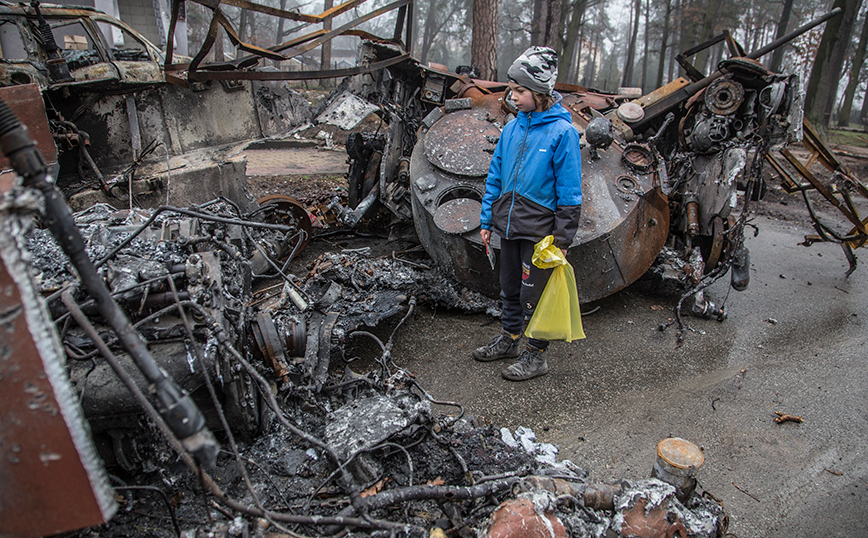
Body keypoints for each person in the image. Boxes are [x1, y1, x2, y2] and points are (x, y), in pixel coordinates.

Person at [473, 46, 583, 381]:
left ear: (539, 92)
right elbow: (495, 176)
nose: (513, 96)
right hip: (508, 223)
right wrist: (487, 219)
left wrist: (563, 239)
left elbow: (570, 191)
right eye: (512, 88)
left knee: (533, 294)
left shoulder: (562, 133)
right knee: (508, 287)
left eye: (520, 90)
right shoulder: (510, 129)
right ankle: (510, 339)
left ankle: (536, 355)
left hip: (539, 231)